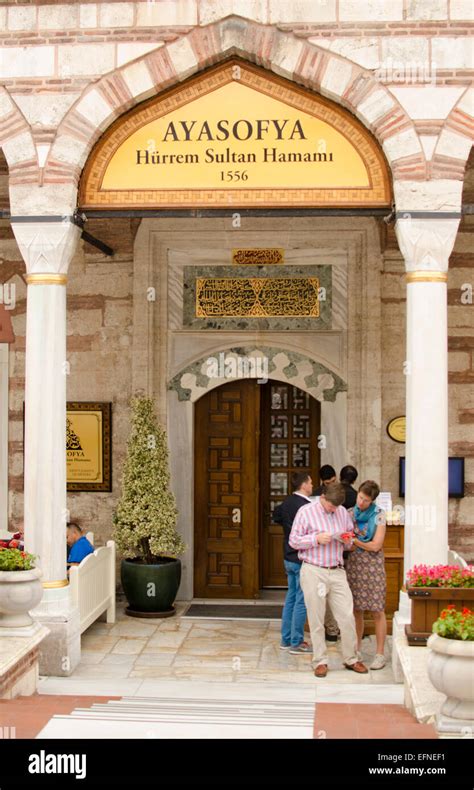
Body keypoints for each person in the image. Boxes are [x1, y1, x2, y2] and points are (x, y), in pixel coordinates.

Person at [289, 482, 368, 677]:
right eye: (331, 506)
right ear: (322, 497)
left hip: (337, 569)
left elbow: (349, 540)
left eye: (336, 507)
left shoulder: (342, 512)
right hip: (314, 569)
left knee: (347, 616)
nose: (333, 509)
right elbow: (294, 541)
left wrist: (347, 539)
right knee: (316, 617)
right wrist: (316, 539)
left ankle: (351, 658)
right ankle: (320, 661)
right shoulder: (305, 512)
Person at [346, 480, 387, 670]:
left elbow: (376, 545)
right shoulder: (348, 513)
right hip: (353, 565)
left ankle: (380, 654)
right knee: (356, 609)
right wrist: (351, 542)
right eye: (360, 498)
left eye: (366, 500)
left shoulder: (379, 515)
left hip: (373, 566)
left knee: (377, 609)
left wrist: (356, 542)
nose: (361, 503)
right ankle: (357, 649)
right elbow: (345, 541)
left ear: (372, 501)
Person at [273, 472, 313, 654]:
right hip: (300, 557)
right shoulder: (306, 506)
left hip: (287, 556)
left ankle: (285, 639)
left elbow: (277, 517)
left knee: (290, 598)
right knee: (301, 600)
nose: (312, 486)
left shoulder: (286, 503)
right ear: (304, 485)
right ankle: (296, 642)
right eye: (310, 482)